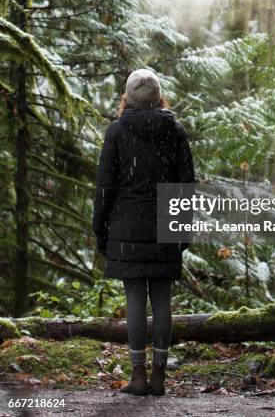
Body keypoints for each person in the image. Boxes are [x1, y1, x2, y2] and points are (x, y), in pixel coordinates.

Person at [92, 68, 195, 396]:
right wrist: (182, 230)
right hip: (164, 224)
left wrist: (100, 229)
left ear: (127, 96)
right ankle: (159, 377)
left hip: (126, 226)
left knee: (135, 299)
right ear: (158, 96)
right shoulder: (175, 131)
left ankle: (137, 376)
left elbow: (105, 186)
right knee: (162, 300)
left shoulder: (116, 132)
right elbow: (184, 186)